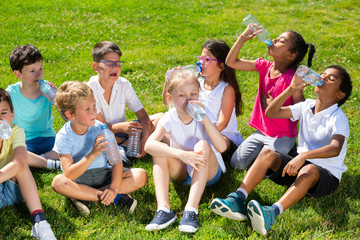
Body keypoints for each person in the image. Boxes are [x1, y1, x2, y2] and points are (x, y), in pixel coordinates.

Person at [210, 65, 352, 235]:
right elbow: (271, 112)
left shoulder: (338, 117)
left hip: (326, 175)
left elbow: (335, 148)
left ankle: (272, 212)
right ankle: (237, 198)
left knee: (309, 169)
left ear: (340, 94)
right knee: (267, 153)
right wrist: (291, 89)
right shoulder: (307, 106)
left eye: (331, 78)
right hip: (299, 167)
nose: (323, 78)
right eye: (323, 74)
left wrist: (303, 156)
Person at [145, 70, 227, 233]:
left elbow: (222, 147)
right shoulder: (169, 117)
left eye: (193, 94)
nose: (189, 99)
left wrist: (203, 118)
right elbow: (148, 145)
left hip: (208, 172)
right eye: (182, 95)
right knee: (159, 148)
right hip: (182, 171)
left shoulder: (205, 113)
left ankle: (191, 209)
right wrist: (181, 155)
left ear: (198, 95)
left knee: (202, 145)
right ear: (171, 99)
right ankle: (164, 210)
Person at [51, 81, 148, 216]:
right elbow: (69, 174)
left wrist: (114, 188)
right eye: (87, 109)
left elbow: (116, 162)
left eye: (94, 106)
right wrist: (92, 155)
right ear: (70, 115)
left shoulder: (101, 129)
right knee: (58, 182)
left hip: (104, 175)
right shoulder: (63, 136)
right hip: (79, 179)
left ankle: (87, 197)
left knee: (140, 175)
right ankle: (115, 197)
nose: (95, 112)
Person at [226, 26, 316, 169]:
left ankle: (290, 149)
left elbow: (302, 111)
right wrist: (242, 38)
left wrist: (274, 105)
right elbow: (231, 62)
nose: (274, 39)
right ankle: (277, 153)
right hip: (262, 131)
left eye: (281, 40)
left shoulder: (293, 79)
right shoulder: (264, 66)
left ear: (291, 55)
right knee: (237, 164)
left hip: (283, 135)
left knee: (266, 167)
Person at [162, 40, 243, 157]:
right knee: (158, 121)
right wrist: (168, 80)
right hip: (199, 130)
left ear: (221, 66)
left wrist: (201, 133)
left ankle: (183, 148)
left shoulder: (226, 89)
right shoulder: (197, 81)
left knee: (208, 144)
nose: (201, 62)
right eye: (200, 58)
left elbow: (222, 124)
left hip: (222, 135)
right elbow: (167, 101)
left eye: (206, 60)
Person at [0, 88, 56, 239]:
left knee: (22, 163)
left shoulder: (16, 131)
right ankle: (49, 163)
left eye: (3, 113)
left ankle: (40, 223)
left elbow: (20, 162)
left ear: (12, 114)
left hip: (11, 189)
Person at [88, 41, 153, 164]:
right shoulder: (89, 90)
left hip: (123, 132)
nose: (115, 68)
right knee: (100, 138)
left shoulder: (124, 84)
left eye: (118, 63)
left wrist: (144, 140)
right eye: (109, 64)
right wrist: (121, 127)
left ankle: (126, 146)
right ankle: (123, 148)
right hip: (102, 134)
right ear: (96, 67)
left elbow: (144, 117)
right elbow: (101, 128)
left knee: (159, 119)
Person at [6, 44, 61, 170]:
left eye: (40, 69)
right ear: (18, 74)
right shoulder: (11, 93)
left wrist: (57, 99)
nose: (38, 75)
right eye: (32, 71)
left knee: (73, 144)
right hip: (24, 141)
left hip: (48, 138)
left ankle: (38, 159)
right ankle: (49, 163)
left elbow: (68, 115)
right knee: (14, 152)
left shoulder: (47, 88)